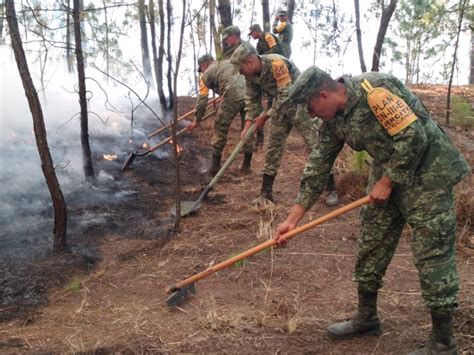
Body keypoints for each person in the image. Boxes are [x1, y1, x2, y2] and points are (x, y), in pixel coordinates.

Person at [273, 66, 471, 354]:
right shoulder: (333, 121)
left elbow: (414, 137)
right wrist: (292, 220)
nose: (311, 115)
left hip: (427, 173)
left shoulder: (376, 90)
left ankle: (443, 341)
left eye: (311, 108)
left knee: (432, 251)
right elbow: (318, 167)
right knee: (371, 241)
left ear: (325, 94)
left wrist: (388, 181)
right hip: (385, 174)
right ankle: (367, 317)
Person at [230, 44, 339, 207]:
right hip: (279, 108)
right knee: (274, 147)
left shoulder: (276, 64)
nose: (240, 72)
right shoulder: (250, 76)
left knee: (316, 145)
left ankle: (331, 189)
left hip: (301, 105)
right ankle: (266, 193)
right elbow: (252, 101)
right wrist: (247, 125)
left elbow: (286, 94)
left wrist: (264, 117)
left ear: (250, 62)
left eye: (241, 68)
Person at [188, 54, 254, 175]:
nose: (201, 72)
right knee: (248, 127)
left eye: (201, 69)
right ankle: (246, 166)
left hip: (232, 94)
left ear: (204, 65)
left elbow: (202, 100)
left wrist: (196, 120)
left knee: (219, 127)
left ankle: (215, 167)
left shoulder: (206, 74)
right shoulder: (228, 63)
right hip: (251, 92)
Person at [222, 25, 265, 147]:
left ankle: (257, 140)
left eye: (227, 38)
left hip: (250, 86)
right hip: (242, 87)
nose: (226, 41)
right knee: (249, 115)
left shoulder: (246, 48)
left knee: (256, 113)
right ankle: (250, 141)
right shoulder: (230, 51)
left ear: (234, 36)